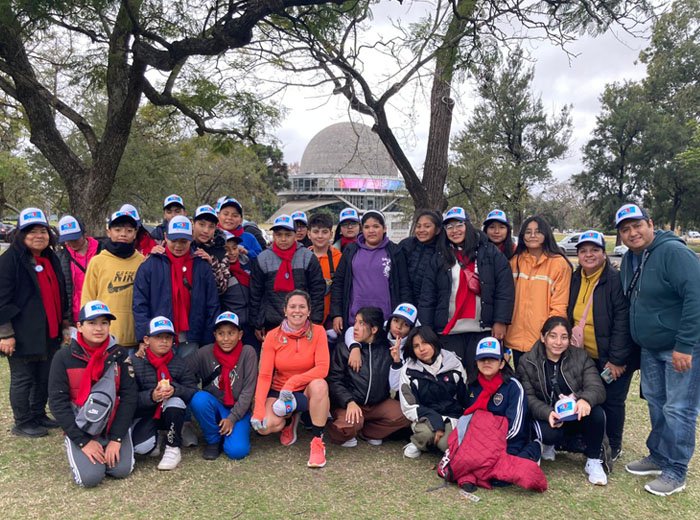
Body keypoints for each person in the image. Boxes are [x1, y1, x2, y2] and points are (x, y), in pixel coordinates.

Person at [614, 204, 700, 496]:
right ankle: (659, 455)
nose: (632, 233)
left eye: (637, 225)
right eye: (625, 229)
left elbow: (695, 296)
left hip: (679, 348)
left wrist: (685, 345)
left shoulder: (673, 253)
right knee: (656, 402)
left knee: (679, 409)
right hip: (650, 349)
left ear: (651, 223)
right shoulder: (630, 259)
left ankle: (676, 470)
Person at [48, 301, 137, 487]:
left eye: (104, 323)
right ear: (79, 326)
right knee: (90, 479)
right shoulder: (62, 357)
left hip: (112, 425)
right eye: (92, 323)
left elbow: (129, 397)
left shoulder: (119, 354)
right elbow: (57, 402)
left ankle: (112, 443)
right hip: (81, 427)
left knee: (121, 470)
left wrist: (117, 438)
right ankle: (77, 446)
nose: (99, 328)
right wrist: (82, 441)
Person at [419, 207, 514, 379]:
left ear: (468, 226)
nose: (455, 231)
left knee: (479, 375)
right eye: (449, 227)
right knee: (452, 376)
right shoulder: (440, 256)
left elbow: (504, 288)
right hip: (450, 330)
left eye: (459, 225)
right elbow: (428, 295)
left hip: (482, 328)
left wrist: (501, 320)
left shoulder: (489, 252)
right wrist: (426, 328)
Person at [567, 230, 636, 462]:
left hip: (611, 357)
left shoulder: (614, 280)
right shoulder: (576, 278)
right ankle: (590, 438)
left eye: (595, 250)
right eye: (583, 251)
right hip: (585, 356)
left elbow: (622, 322)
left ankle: (614, 445)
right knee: (588, 397)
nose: (589, 255)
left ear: (604, 254)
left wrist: (616, 360)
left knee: (613, 401)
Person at [0, 208, 69, 437]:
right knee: (23, 378)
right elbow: (2, 299)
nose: (39, 235)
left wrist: (64, 324)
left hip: (49, 331)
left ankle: (38, 413)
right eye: (32, 231)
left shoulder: (50, 258)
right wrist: (5, 333)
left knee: (44, 376)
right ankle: (23, 421)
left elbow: (61, 292)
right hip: (21, 333)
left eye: (43, 230)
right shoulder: (10, 261)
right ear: (20, 233)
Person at [516, 316, 608, 486]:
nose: (558, 342)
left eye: (564, 337)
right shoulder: (527, 361)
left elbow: (597, 387)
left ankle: (593, 460)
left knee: (597, 413)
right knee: (549, 433)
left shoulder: (581, 357)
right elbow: (527, 397)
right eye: (553, 336)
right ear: (543, 337)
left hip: (575, 414)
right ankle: (548, 444)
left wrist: (583, 399)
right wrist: (547, 412)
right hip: (549, 416)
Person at [251, 291, 330, 468]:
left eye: (302, 307)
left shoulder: (318, 332)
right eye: (292, 307)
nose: (297, 311)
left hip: (305, 389)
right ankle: (289, 419)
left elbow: (322, 369)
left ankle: (317, 442)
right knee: (265, 427)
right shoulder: (272, 335)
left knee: (320, 385)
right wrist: (258, 410)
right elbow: (264, 376)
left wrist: (292, 384)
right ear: (285, 311)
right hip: (279, 390)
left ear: (309, 311)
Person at [133, 215, 220, 356]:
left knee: (189, 376)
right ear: (166, 237)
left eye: (184, 241)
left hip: (192, 337)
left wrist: (208, 339)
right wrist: (144, 336)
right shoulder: (150, 265)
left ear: (191, 238)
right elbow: (140, 304)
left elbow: (212, 304)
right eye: (174, 240)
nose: (179, 246)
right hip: (159, 337)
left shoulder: (201, 265)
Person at [328, 307, 410, 447]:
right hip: (349, 404)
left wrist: (396, 362)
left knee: (406, 415)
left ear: (374, 329)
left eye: (361, 323)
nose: (355, 327)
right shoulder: (344, 348)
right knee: (344, 430)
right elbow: (334, 381)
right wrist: (349, 402)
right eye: (355, 322)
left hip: (377, 404)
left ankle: (367, 431)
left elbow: (394, 386)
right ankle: (351, 425)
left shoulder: (386, 349)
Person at [188, 312, 258, 460]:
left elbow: (248, 391)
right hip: (215, 405)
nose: (226, 339)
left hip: (238, 409)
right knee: (199, 399)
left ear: (240, 335)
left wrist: (232, 418)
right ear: (215, 335)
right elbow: (183, 370)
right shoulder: (204, 352)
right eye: (221, 334)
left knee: (237, 452)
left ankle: (230, 433)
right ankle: (214, 440)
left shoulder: (248, 352)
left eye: (231, 333)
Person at [131, 317, 198, 470]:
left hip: (171, 411)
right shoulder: (136, 361)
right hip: (146, 413)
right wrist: (151, 396)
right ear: (147, 340)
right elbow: (129, 398)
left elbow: (192, 390)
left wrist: (175, 389)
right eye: (158, 337)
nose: (164, 341)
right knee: (142, 448)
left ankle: (173, 447)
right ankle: (156, 437)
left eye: (167, 337)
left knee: (176, 401)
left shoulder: (179, 362)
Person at [331, 210, 411, 336]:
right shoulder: (351, 251)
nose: (371, 230)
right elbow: (338, 283)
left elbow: (404, 285)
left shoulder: (395, 251)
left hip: (385, 319)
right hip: (355, 319)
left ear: (384, 228)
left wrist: (402, 317)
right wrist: (336, 313)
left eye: (376, 226)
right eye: (367, 227)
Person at [506, 215, 572, 367]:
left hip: (542, 340)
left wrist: (550, 335)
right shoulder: (514, 262)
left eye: (538, 231)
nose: (533, 235)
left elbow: (559, 306)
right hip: (515, 338)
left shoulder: (559, 264)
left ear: (546, 234)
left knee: (543, 387)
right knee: (523, 383)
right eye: (528, 232)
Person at [249, 214, 325, 341]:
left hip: (303, 322)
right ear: (273, 236)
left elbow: (317, 291)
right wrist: (257, 323)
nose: (283, 239)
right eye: (279, 235)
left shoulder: (308, 257)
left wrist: (315, 321)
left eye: (288, 235)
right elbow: (256, 294)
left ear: (295, 235)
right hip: (272, 322)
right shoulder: (263, 259)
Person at [464, 337, 540, 463]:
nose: (487, 362)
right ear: (476, 362)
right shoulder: (472, 384)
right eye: (482, 359)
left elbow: (516, 427)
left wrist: (490, 443)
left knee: (499, 478)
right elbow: (467, 417)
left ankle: (533, 448)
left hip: (509, 440)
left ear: (502, 363)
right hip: (479, 439)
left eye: (492, 358)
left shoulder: (513, 386)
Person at [399, 326, 468, 458]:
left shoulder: (454, 364)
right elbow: (409, 406)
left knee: (445, 445)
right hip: (425, 417)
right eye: (416, 346)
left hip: (451, 416)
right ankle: (419, 442)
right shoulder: (408, 371)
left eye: (425, 343)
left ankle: (437, 441)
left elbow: (463, 397)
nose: (422, 349)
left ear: (434, 342)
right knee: (425, 434)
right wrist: (437, 424)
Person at [81, 209, 144, 349]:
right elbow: (87, 299)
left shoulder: (142, 262)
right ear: (109, 232)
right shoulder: (97, 261)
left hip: (136, 339)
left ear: (135, 234)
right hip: (105, 339)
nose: (123, 234)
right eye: (118, 229)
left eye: (129, 230)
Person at [345, 302, 419, 392]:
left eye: (405, 324)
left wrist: (397, 362)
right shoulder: (382, 329)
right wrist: (354, 347)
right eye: (395, 321)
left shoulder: (413, 347)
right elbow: (351, 330)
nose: (398, 327)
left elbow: (395, 387)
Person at [56, 215, 101, 325]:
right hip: (76, 316)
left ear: (84, 234)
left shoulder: (103, 250)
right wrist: (65, 316)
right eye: (67, 240)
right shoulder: (60, 257)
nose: (71, 244)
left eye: (74, 239)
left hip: (101, 312)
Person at [307, 213, 343, 332]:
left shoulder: (340, 258)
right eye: (316, 232)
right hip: (306, 316)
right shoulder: (303, 257)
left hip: (331, 318)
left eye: (324, 232)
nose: (320, 236)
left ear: (331, 234)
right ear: (309, 234)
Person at [398, 209, 442, 304]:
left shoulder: (442, 251)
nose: (421, 230)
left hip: (430, 304)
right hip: (405, 303)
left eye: (427, 226)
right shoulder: (406, 246)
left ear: (437, 230)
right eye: (418, 226)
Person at [191, 204, 230, 295]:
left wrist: (212, 262)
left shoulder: (221, 251)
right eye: (201, 224)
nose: (206, 230)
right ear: (193, 223)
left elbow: (222, 288)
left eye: (211, 226)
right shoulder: (181, 244)